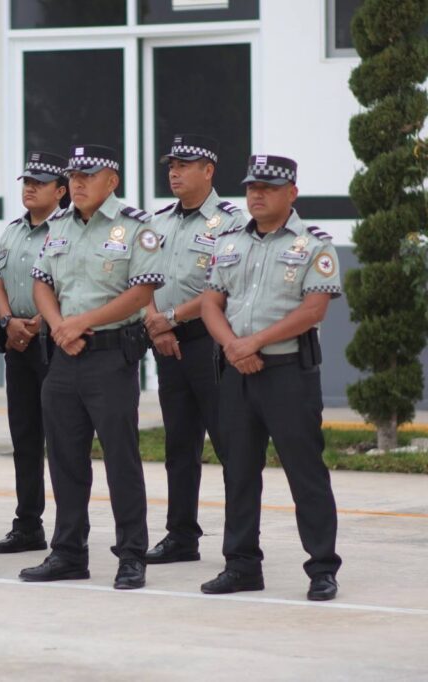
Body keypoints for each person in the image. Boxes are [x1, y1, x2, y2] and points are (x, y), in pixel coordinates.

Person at [20, 144, 163, 589]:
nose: (77, 183)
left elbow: (141, 292)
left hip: (110, 356)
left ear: (112, 181)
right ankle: (68, 552)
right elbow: (42, 282)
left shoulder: (136, 228)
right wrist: (60, 325)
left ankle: (131, 555)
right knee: (64, 458)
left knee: (120, 459)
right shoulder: (59, 225)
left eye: (88, 175)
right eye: (73, 176)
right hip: (65, 355)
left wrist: (83, 322)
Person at [200, 154, 342, 601]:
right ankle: (241, 565)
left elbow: (313, 310)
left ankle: (322, 568)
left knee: (305, 472)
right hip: (237, 373)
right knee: (239, 472)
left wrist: (253, 343)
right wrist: (233, 346)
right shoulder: (228, 243)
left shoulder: (314, 245)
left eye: (268, 188)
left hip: (287, 375)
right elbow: (210, 303)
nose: (257, 195)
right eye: (251, 187)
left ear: (291, 193)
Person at [143, 134, 245, 564]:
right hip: (167, 346)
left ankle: (240, 544)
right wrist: (155, 323)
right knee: (179, 447)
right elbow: (142, 278)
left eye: (184, 165)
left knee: (230, 445)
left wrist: (172, 317)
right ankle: (181, 536)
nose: (174, 172)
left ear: (208, 170)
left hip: (209, 345)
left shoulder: (231, 222)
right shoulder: (159, 222)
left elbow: (224, 286)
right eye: (172, 165)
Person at [0, 151, 69, 554]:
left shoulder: (68, 230)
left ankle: (68, 530)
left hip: (54, 342)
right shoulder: (13, 231)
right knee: (25, 436)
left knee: (62, 439)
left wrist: (40, 322)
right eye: (27, 182)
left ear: (61, 191)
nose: (31, 188)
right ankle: (28, 524)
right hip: (16, 342)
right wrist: (8, 322)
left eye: (40, 183)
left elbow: (71, 284)